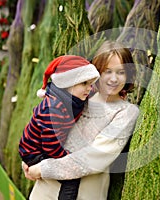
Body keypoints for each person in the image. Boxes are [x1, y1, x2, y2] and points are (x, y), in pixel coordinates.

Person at [23, 40, 140, 200]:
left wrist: (42, 168)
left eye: (120, 72)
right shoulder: (79, 97)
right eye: (107, 71)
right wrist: (29, 160)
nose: (113, 79)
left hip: (84, 192)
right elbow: (42, 126)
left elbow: (95, 157)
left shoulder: (126, 112)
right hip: (46, 190)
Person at [18, 55, 100, 200]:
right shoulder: (54, 109)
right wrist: (67, 159)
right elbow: (50, 144)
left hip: (44, 146)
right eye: (85, 84)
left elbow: (89, 90)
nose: (89, 88)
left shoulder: (71, 97)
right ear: (67, 83)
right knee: (70, 178)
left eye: (91, 83)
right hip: (34, 151)